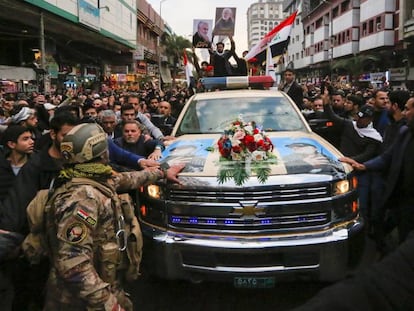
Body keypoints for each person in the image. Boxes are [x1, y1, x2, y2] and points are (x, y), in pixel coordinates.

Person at [43, 123, 184, 310]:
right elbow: (73, 263)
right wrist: (109, 304)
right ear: (101, 153)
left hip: (103, 283)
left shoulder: (91, 178)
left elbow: (128, 179)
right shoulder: (82, 198)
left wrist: (162, 172)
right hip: (79, 300)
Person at [340, 96, 414, 245]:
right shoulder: (405, 133)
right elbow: (387, 157)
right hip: (402, 199)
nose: (404, 113)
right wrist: (364, 165)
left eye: (407, 109)